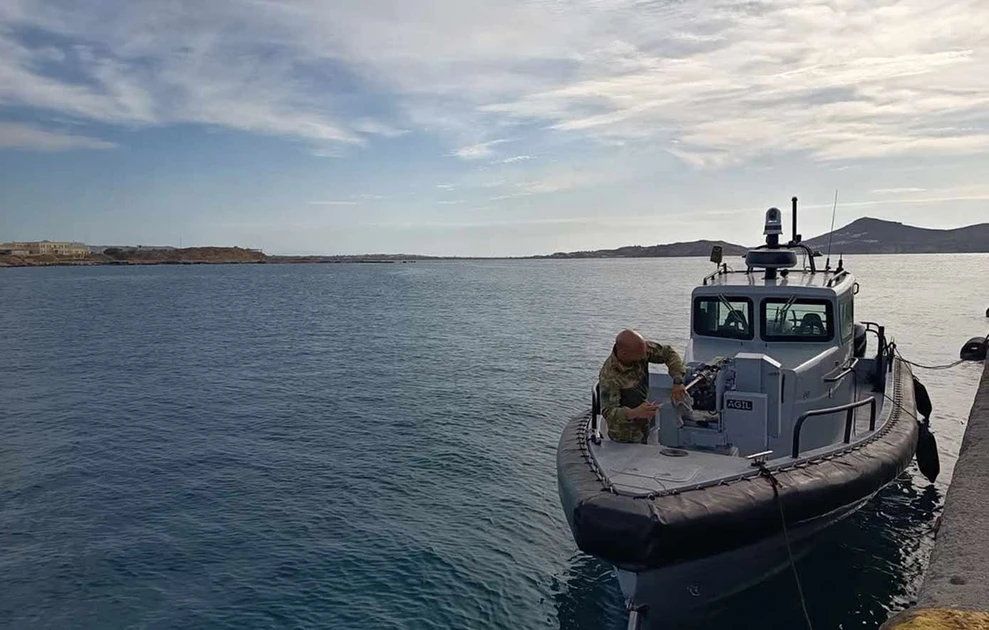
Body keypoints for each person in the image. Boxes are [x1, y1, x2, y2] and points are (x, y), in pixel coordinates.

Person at [599, 329, 687, 444]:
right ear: (624, 354)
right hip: (626, 432)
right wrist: (634, 412)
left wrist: (677, 380)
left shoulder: (641, 349)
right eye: (640, 356)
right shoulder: (610, 376)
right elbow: (608, 412)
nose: (643, 357)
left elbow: (668, 353)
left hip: (645, 417)